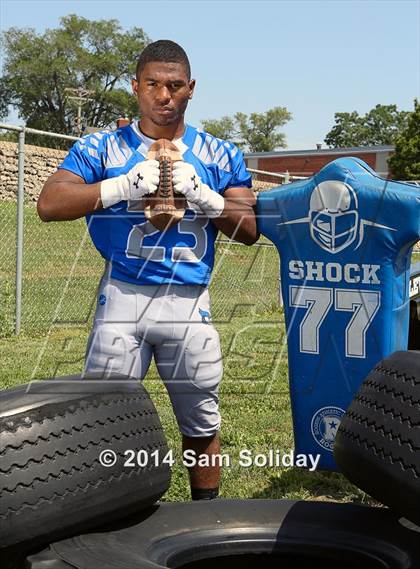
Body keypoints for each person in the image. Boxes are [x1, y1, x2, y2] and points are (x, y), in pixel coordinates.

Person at [37, 40, 258, 500]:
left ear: (191, 89)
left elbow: (250, 228)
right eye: (153, 84)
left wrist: (205, 195)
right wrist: (119, 186)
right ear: (135, 86)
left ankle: (205, 513)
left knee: (200, 421)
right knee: (104, 418)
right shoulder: (102, 146)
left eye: (175, 86)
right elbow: (49, 203)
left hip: (189, 299)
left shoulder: (218, 154)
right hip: (123, 295)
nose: (164, 96)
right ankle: (106, 518)